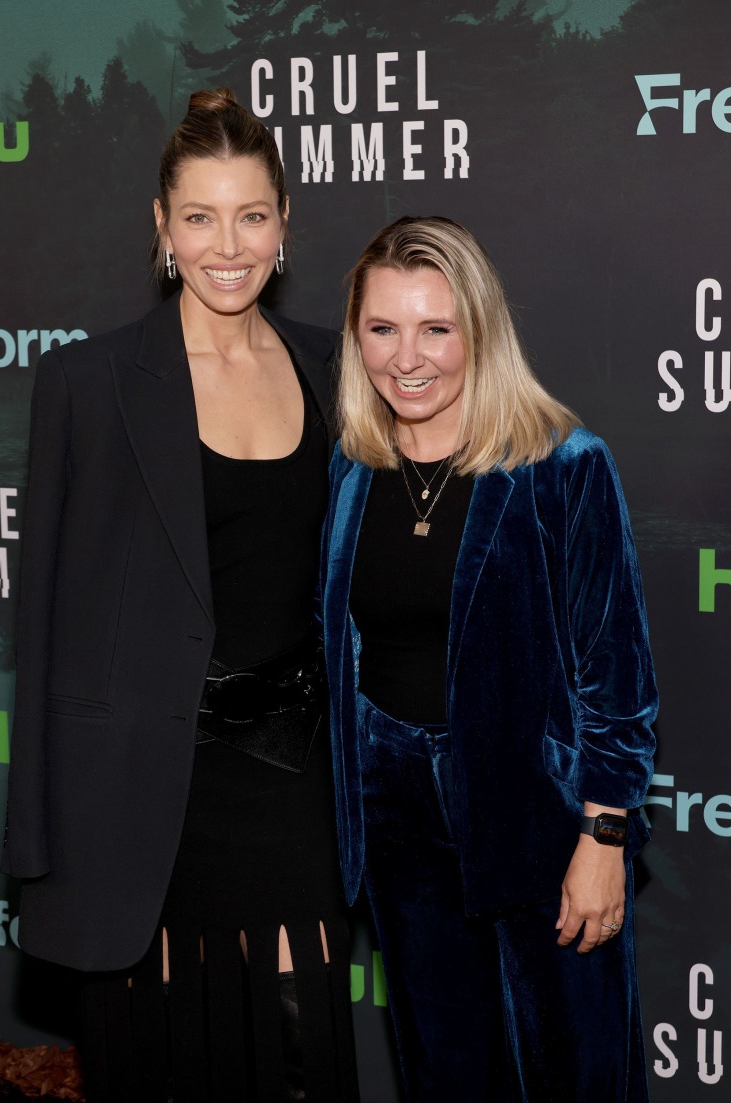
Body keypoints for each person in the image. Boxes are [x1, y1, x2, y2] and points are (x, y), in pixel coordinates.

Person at [2, 88, 359, 1103]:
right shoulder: (90, 381)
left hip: (292, 789)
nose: (227, 245)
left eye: (250, 214)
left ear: (285, 222)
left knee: (301, 1057)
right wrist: (34, 838)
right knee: (168, 1065)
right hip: (140, 799)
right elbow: (43, 617)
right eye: (199, 216)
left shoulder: (331, 370)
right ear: (161, 227)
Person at [320, 215, 657, 1101]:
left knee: (576, 1071)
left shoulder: (562, 464)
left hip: (538, 816)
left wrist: (604, 834)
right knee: (446, 1073)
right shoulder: (353, 470)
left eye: (436, 327)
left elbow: (616, 676)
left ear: (480, 329)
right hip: (399, 825)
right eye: (383, 329)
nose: (408, 357)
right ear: (356, 337)